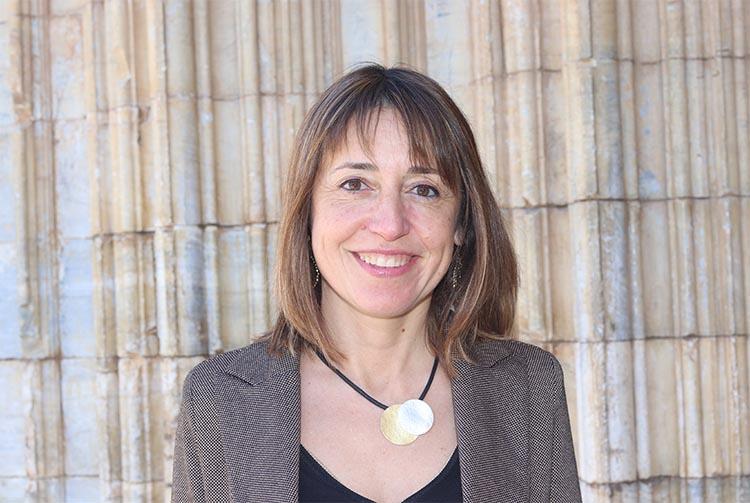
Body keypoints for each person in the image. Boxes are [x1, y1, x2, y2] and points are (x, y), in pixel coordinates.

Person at [171, 64, 581, 503]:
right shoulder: (220, 402)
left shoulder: (529, 390)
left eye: (424, 189)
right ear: (308, 212)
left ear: (461, 223)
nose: (390, 224)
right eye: (355, 184)